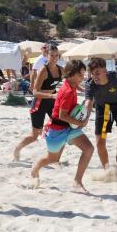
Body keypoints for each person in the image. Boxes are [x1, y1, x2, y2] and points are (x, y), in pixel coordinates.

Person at [31, 60, 93, 193]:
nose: (82, 78)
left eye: (83, 75)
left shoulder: (71, 84)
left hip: (69, 129)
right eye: (80, 75)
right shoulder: (68, 91)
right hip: (56, 130)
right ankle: (35, 168)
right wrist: (81, 123)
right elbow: (62, 115)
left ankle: (77, 182)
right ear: (71, 74)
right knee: (52, 159)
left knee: (88, 149)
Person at [13, 45, 63, 161]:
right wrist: (52, 95)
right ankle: (18, 148)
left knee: (60, 129)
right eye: (52, 55)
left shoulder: (61, 69)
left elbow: (70, 81)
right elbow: (35, 91)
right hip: (39, 103)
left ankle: (55, 158)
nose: (54, 58)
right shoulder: (43, 70)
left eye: (56, 55)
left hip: (52, 102)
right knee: (35, 135)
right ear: (47, 55)